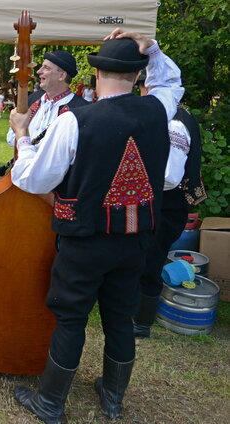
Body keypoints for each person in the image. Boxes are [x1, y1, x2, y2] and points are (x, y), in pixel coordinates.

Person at [9, 29, 184, 422]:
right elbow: (171, 80)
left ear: (96, 73)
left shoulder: (75, 121)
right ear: (138, 76)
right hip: (136, 240)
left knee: (71, 317)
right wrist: (151, 46)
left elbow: (34, 180)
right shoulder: (158, 108)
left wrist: (22, 136)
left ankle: (50, 403)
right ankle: (113, 397)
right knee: (120, 317)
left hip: (85, 241)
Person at [133, 71, 207, 338]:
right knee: (145, 259)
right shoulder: (172, 116)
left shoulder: (174, 123)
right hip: (162, 206)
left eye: (141, 88)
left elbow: (168, 178)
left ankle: (140, 323)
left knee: (149, 262)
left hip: (165, 207)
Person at [0, 50, 88, 177]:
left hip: (58, 183)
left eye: (46, 68)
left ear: (61, 76)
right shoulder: (32, 100)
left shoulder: (81, 109)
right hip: (24, 175)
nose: (39, 71)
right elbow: (12, 139)